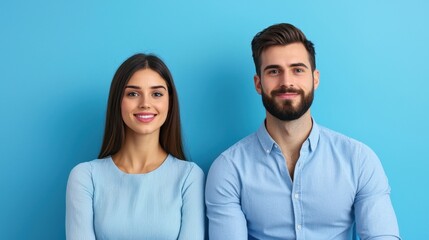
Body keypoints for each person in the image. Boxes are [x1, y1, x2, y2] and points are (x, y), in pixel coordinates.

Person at [205, 23, 400, 239]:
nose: (286, 82)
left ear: (314, 79)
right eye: (274, 71)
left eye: (297, 70)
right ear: (258, 84)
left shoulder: (359, 160)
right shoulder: (228, 169)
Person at [66, 53, 205, 240]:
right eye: (133, 93)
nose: (145, 104)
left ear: (169, 102)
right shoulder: (85, 177)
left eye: (156, 94)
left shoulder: (189, 177)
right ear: (118, 101)